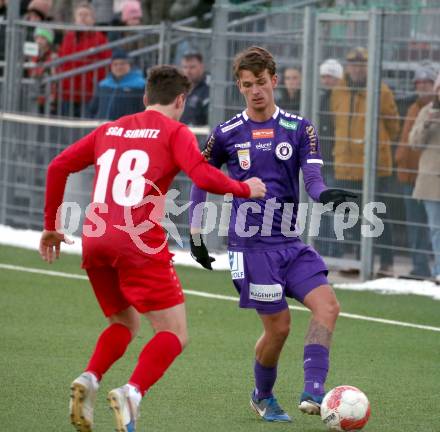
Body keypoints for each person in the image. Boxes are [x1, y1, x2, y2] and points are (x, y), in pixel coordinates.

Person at [39, 65, 266, 432]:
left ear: (145, 99)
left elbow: (58, 166)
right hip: (136, 240)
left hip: (95, 239)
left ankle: (89, 378)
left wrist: (51, 227)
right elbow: (203, 175)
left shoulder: (110, 128)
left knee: (124, 322)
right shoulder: (175, 131)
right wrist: (245, 189)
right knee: (174, 332)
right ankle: (131, 392)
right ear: (180, 100)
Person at [189, 46, 355, 422]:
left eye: (261, 82)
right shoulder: (227, 133)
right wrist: (196, 235)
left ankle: (315, 394)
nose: (255, 91)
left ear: (274, 80)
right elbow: (200, 178)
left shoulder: (299, 128)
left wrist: (325, 193)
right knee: (279, 328)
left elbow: (312, 178)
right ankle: (262, 396)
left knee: (328, 306)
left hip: (289, 243)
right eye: (247, 85)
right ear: (240, 86)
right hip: (250, 249)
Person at [331, 46, 400, 276]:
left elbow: (393, 125)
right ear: (348, 67)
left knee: (378, 213)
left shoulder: (382, 91)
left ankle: (386, 263)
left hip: (373, 166)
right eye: (353, 64)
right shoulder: (338, 91)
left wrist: (380, 146)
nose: (357, 69)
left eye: (361, 65)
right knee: (353, 214)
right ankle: (360, 261)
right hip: (346, 163)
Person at [395, 62, 436, 279]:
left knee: (432, 225)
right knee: (414, 224)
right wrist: (400, 160)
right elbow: (408, 141)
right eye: (418, 83)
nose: (422, 86)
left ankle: (433, 268)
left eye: (427, 82)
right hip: (410, 175)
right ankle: (419, 267)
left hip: (431, 177)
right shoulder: (412, 107)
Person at [409, 73, 440, 283]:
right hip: (431, 182)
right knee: (436, 229)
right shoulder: (426, 112)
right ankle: (438, 270)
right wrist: (428, 123)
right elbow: (414, 143)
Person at [58, 2, 111, 117]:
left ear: (93, 20)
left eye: (86, 15)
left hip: (89, 95)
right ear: (75, 19)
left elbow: (106, 65)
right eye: (80, 15)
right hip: (68, 93)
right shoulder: (68, 37)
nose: (82, 18)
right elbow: (61, 60)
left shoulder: (100, 38)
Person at [314, 58, 344, 258]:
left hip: (335, 162)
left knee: (334, 209)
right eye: (324, 76)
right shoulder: (321, 98)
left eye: (331, 77)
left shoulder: (339, 100)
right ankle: (323, 247)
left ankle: (335, 249)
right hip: (320, 162)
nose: (327, 80)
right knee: (321, 208)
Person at [88, 48, 145, 120]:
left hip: (127, 129)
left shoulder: (141, 85)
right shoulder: (103, 84)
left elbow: (144, 110)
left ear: (129, 65)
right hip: (104, 127)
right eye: (115, 64)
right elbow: (93, 109)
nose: (119, 67)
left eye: (122, 63)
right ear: (111, 66)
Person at [28, 27, 57, 114]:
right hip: (35, 94)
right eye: (37, 37)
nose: (39, 41)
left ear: (48, 41)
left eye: (42, 38)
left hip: (48, 96)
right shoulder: (33, 54)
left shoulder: (53, 55)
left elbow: (52, 74)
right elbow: (31, 72)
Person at [180, 52, 210, 126]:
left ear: (202, 67)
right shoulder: (177, 88)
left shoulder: (210, 88)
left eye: (192, 67)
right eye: (185, 67)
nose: (188, 71)